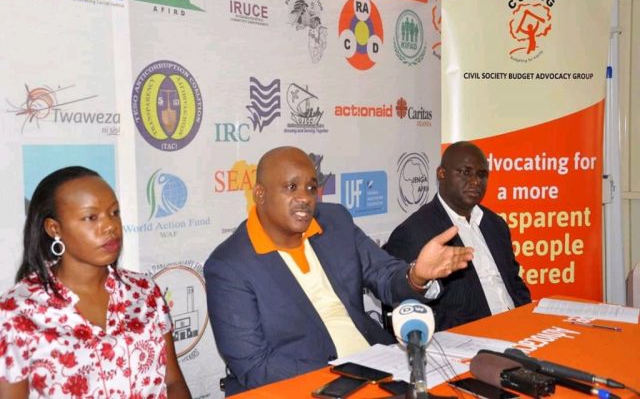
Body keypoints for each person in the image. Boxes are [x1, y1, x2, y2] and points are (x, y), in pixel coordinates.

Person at [204, 146, 473, 395]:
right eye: (291, 187)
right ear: (260, 194)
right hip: (309, 386)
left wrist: (416, 275)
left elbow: (384, 274)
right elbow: (255, 366)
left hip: (379, 365)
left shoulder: (335, 221)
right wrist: (346, 377)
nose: (305, 198)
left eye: (311, 187)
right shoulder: (229, 266)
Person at [0, 166, 192, 399]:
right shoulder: (16, 312)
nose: (110, 226)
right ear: (54, 228)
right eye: (91, 217)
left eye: (114, 212)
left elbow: (173, 382)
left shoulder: (143, 291)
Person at [385, 141, 531, 331]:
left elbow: (514, 282)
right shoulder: (413, 232)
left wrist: (526, 317)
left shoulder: (495, 224)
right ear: (442, 174)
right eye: (466, 172)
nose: (476, 181)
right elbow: (408, 306)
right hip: (471, 337)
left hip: (520, 328)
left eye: (482, 175)